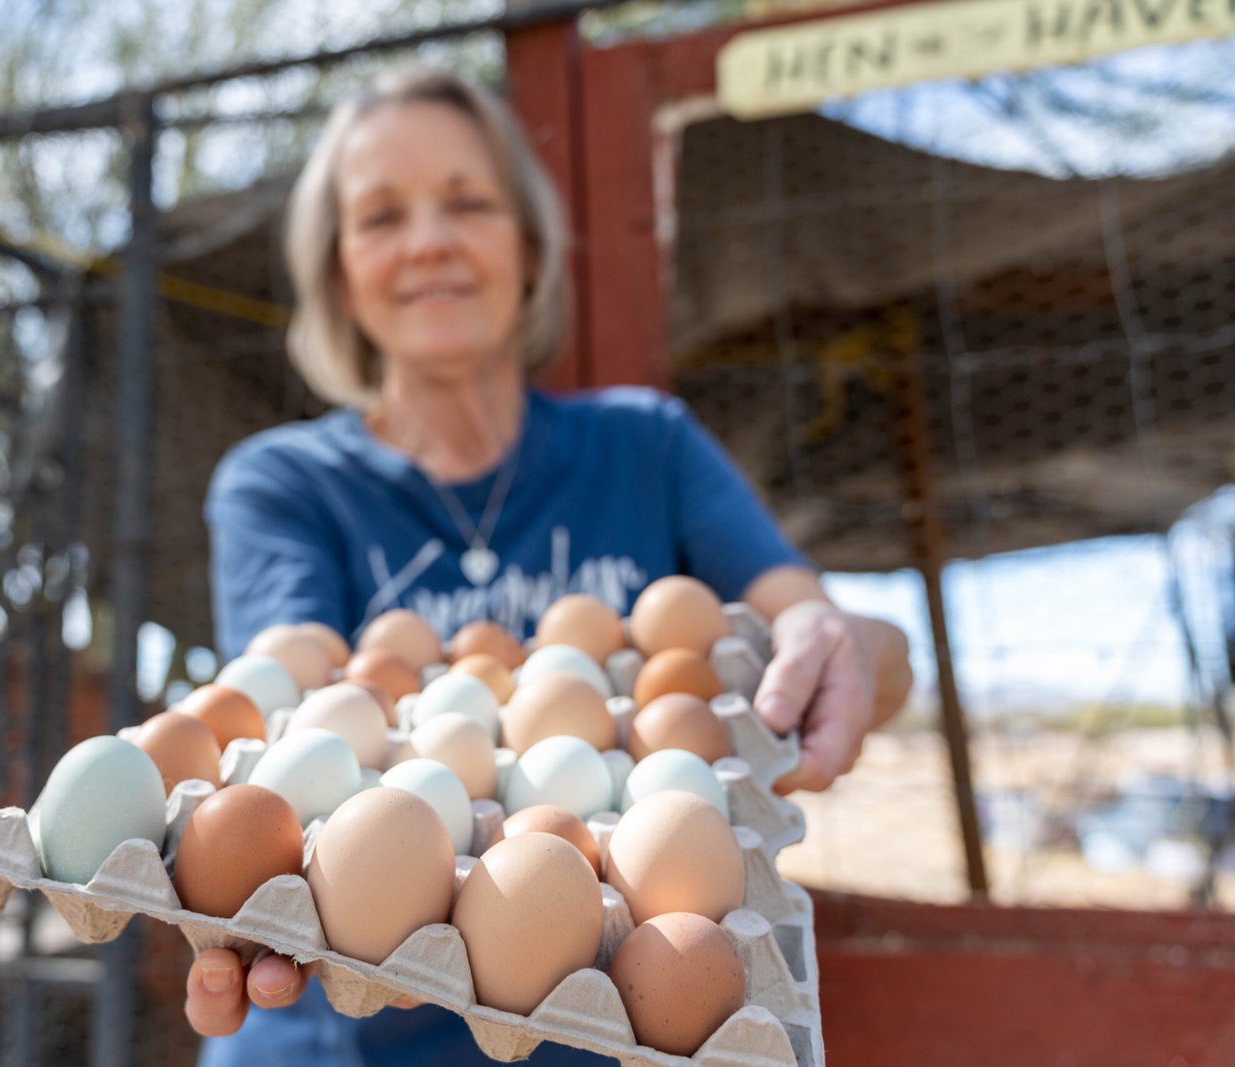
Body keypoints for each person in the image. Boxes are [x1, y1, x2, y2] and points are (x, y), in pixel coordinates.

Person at [191, 66, 912, 1065]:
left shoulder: (643, 447)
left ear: (528, 244)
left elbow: (818, 625)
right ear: (337, 271)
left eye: (468, 202)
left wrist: (855, 645)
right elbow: (287, 679)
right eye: (381, 216)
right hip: (333, 1033)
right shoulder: (286, 481)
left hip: (611, 1035)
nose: (430, 239)